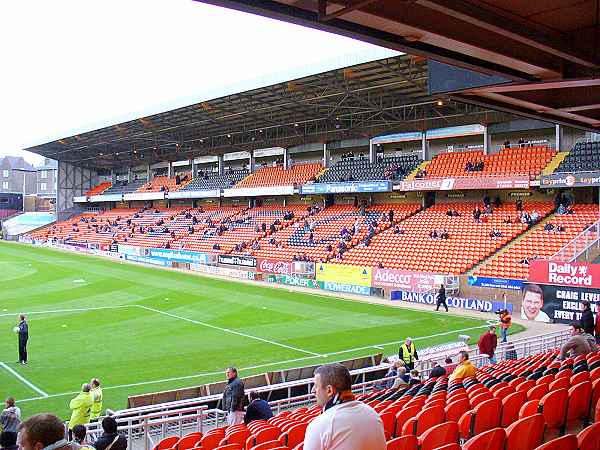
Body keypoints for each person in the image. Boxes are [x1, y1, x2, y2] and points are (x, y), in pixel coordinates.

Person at [304, 363, 386, 450]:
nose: (313, 390)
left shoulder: (320, 425)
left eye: (316, 386)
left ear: (329, 390)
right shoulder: (373, 414)